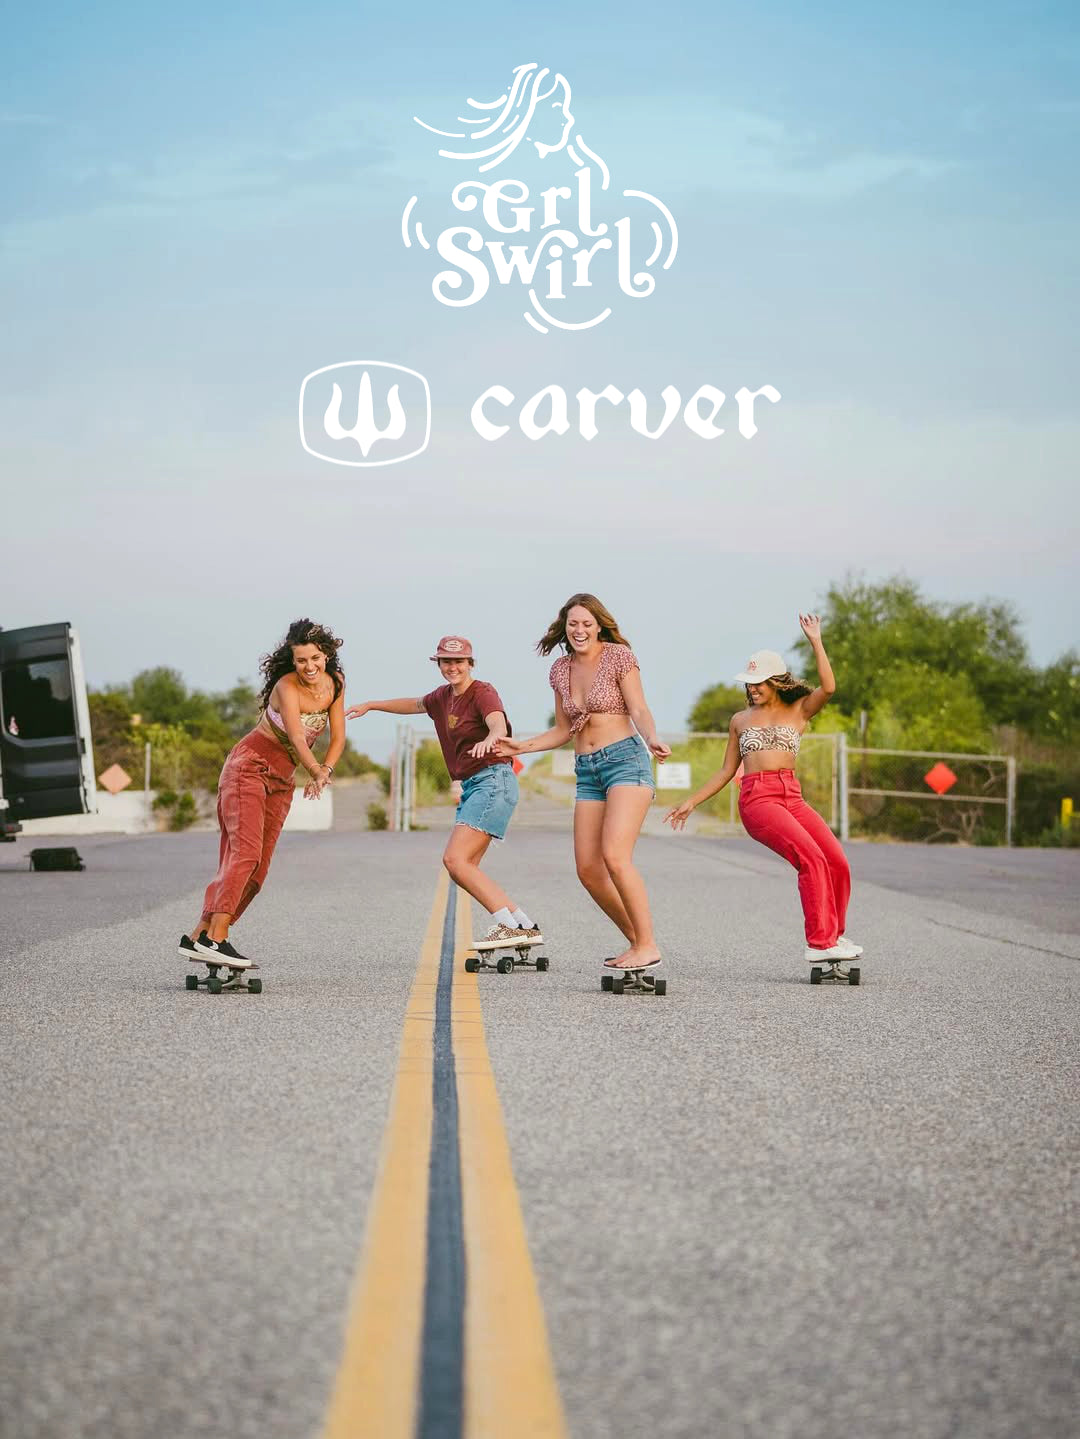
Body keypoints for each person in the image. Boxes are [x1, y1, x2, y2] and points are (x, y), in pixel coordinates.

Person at [665, 614, 862, 965]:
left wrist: (816, 640)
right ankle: (820, 943)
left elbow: (829, 688)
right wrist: (691, 801)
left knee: (837, 862)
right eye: (749, 683)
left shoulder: (800, 710)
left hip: (792, 796)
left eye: (759, 683)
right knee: (811, 858)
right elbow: (727, 770)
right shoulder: (740, 720)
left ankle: (833, 934)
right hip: (758, 799)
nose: (752, 689)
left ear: (776, 682)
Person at [495, 594, 670, 972]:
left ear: (599, 625)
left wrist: (652, 737)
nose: (579, 630)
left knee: (615, 856)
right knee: (589, 870)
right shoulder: (560, 669)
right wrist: (521, 746)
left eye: (587, 623)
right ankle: (640, 943)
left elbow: (639, 708)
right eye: (573, 623)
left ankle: (647, 945)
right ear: (565, 626)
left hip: (625, 761)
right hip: (587, 770)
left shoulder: (619, 656)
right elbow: (563, 729)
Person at [344, 635, 542, 948]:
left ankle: (508, 926)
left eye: (458, 661)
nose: (452, 667)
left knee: (455, 860)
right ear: (439, 664)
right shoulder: (442, 697)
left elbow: (497, 723)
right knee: (464, 866)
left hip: (493, 780)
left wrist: (491, 738)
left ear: (470, 663)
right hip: (477, 784)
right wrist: (371, 705)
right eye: (446, 662)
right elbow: (414, 704)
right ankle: (524, 925)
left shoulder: (482, 692)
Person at [179, 619, 346, 967]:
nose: (309, 667)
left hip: (282, 780)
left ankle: (200, 936)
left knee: (258, 872)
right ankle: (217, 939)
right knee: (245, 855)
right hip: (248, 768)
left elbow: (339, 737)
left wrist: (326, 770)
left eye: (315, 658)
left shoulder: (336, 684)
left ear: (327, 655)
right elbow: (297, 737)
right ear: (292, 660)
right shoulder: (286, 687)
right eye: (301, 660)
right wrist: (314, 770)